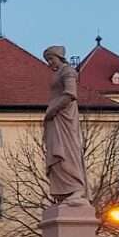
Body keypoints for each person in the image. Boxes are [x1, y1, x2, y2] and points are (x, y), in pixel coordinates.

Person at [42, 45, 89, 205]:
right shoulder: (58, 73)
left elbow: (70, 94)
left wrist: (53, 109)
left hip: (65, 116)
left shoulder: (68, 71)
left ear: (59, 57)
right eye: (47, 60)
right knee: (56, 152)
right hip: (56, 118)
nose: (49, 63)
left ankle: (76, 189)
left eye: (51, 59)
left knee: (68, 151)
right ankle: (65, 192)